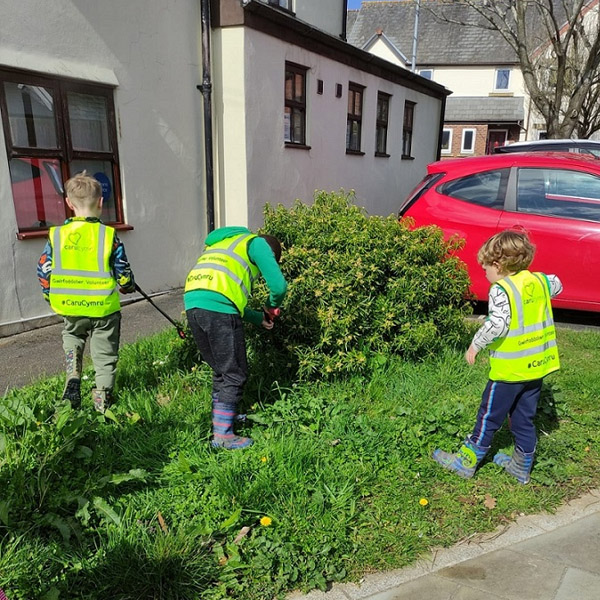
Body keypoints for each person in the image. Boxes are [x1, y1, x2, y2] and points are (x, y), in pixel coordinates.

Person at [433, 230, 562, 484]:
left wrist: (475, 345)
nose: (485, 274)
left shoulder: (500, 290)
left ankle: (466, 462)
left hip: (508, 370)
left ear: (498, 265)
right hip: (536, 367)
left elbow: (498, 325)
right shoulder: (539, 281)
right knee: (524, 418)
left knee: (489, 416)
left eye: (485, 269)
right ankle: (521, 466)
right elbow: (557, 283)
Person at [37, 172, 135, 412]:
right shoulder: (108, 236)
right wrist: (127, 285)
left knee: (73, 337)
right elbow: (122, 270)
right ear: (101, 202)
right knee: (104, 355)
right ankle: (102, 403)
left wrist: (50, 295)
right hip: (103, 308)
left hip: (70, 305)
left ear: (69, 204)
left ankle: (73, 374)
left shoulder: (57, 235)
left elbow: (44, 268)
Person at [184, 226, 287, 450]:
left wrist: (258, 318)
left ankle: (222, 421)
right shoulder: (257, 244)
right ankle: (223, 436)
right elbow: (279, 286)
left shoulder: (222, 244)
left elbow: (222, 298)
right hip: (217, 307)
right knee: (234, 372)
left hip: (193, 303)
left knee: (221, 369)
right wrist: (271, 307)